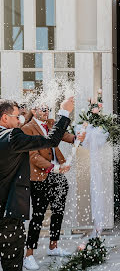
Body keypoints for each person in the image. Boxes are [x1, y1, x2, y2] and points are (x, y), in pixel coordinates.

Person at [0, 97, 74, 271]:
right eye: (17, 116)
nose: (20, 119)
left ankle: (53, 246)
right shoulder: (12, 136)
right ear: (5, 118)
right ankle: (27, 256)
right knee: (12, 262)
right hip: (8, 214)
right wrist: (64, 111)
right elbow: (51, 141)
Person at [22, 105, 86, 270]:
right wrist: (53, 167)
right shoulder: (27, 128)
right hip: (40, 177)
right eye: (42, 109)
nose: (46, 112)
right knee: (38, 215)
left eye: (47, 109)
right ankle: (28, 255)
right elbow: (32, 155)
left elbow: (65, 136)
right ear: (34, 110)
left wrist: (76, 137)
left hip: (57, 175)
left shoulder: (51, 123)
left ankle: (53, 247)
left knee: (58, 211)